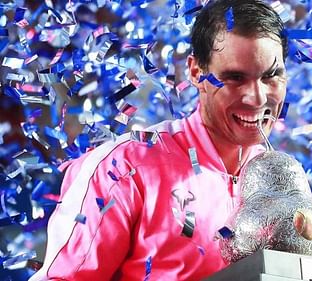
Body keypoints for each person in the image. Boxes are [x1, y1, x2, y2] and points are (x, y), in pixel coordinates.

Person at [29, 0, 288, 280]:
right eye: (235, 78)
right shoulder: (123, 168)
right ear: (195, 73)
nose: (258, 98)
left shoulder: (285, 182)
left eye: (271, 76)